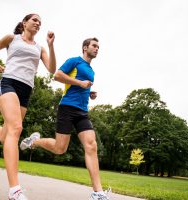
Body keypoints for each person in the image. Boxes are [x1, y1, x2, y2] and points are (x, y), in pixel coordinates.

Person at [0, 13, 56, 200]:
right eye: (34, 19)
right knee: (16, 128)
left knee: (7, 136)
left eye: (40, 22)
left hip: (26, 91)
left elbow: (52, 69)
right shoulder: (12, 38)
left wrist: (51, 46)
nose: (38, 23)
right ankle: (14, 190)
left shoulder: (40, 47)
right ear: (24, 23)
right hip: (8, 83)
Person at [20, 37, 111, 200]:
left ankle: (98, 193)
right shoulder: (74, 61)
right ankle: (33, 141)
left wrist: (89, 92)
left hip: (83, 111)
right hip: (67, 108)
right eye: (94, 46)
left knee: (92, 146)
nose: (97, 49)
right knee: (60, 149)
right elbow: (57, 75)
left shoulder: (91, 70)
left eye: (99, 47)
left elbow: (80, 86)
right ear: (85, 47)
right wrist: (79, 83)